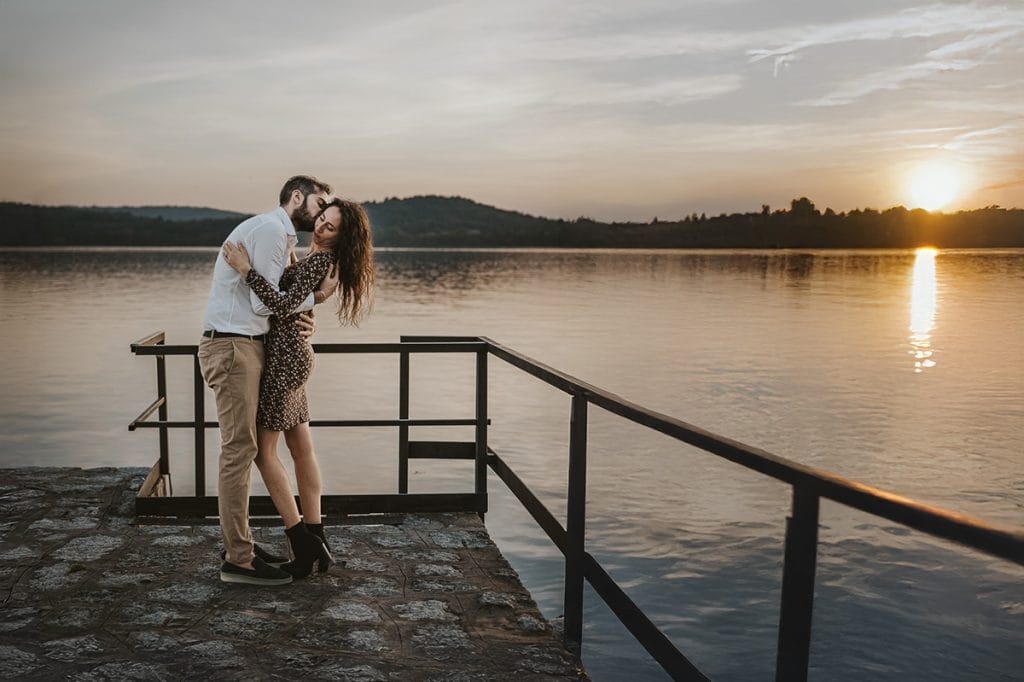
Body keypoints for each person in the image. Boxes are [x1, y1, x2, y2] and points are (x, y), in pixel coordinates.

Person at [221, 197, 375, 578]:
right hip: (294, 355)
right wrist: (313, 302)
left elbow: (282, 304)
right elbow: (297, 303)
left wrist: (245, 270)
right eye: (323, 217)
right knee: (300, 448)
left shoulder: (322, 261)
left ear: (342, 237)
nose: (322, 225)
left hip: (284, 360)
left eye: (332, 225)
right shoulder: (312, 259)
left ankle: (301, 539)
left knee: (264, 453)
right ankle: (316, 532)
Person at [199, 175, 339, 586]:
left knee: (255, 450)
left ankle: (250, 546)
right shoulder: (272, 232)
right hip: (233, 347)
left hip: (250, 348)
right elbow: (268, 302)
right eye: (319, 204)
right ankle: (240, 558)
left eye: (329, 213)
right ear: (297, 197)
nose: (320, 213)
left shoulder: (283, 240)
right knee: (242, 451)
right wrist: (315, 300)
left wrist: (308, 308)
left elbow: (277, 301)